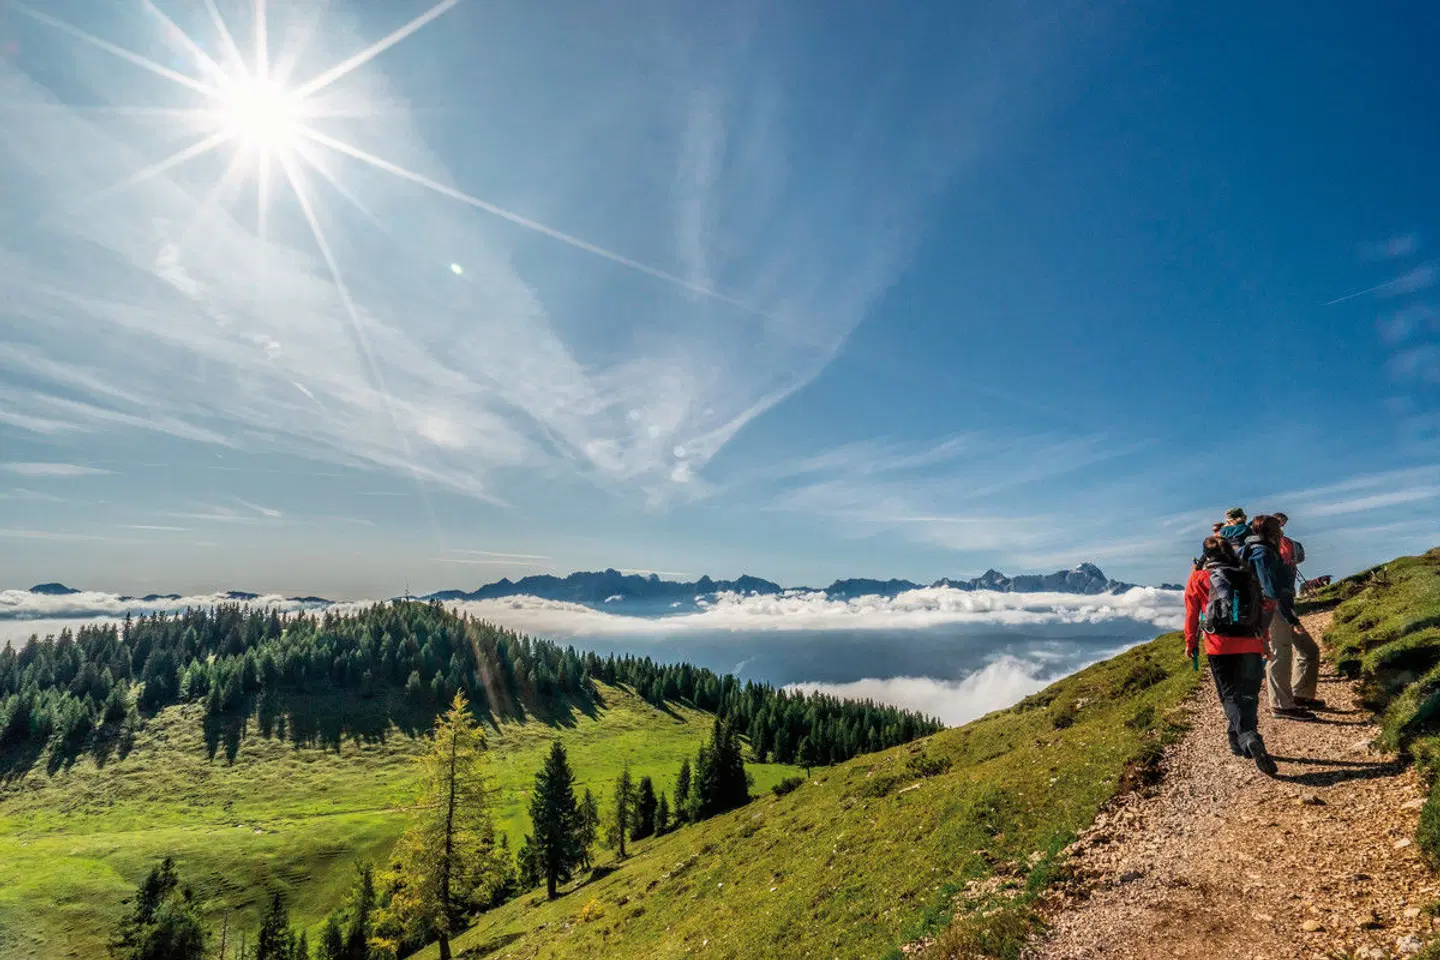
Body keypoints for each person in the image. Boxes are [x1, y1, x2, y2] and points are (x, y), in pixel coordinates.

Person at [1184, 536, 1277, 776]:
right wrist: (1264, 641)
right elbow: (1260, 610)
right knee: (1248, 694)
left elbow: (1192, 612)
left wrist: (1190, 643)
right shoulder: (1246, 573)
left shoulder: (1199, 577)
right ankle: (1238, 742)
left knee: (1230, 696)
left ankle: (1248, 737)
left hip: (1219, 646)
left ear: (1205, 555)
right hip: (1251, 642)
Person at [1244, 515, 1321, 718]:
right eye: (1279, 529)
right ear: (1273, 532)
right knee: (1280, 653)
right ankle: (1281, 705)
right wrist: (1291, 619)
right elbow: (1272, 591)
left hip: (1279, 608)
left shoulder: (1264, 550)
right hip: (1274, 611)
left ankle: (1300, 695)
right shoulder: (1262, 553)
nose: (1282, 532)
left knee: (1308, 650)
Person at [1272, 512, 1324, 709]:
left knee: (1298, 651)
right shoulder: (1284, 545)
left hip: (1279, 606)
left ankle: (1296, 697)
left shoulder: (1260, 550)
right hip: (1280, 607)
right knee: (1286, 653)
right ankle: (1286, 702)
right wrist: (1291, 618)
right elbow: (1298, 558)